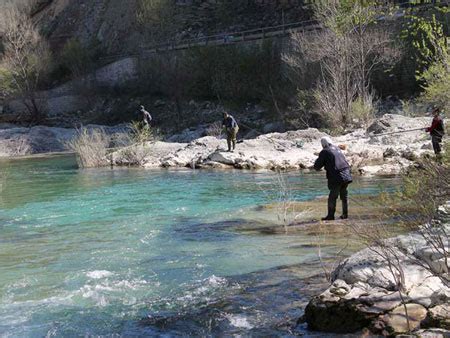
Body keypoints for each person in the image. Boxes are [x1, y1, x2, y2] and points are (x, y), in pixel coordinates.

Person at [314, 137, 353, 221]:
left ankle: (330, 216)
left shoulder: (324, 151)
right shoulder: (337, 148)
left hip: (337, 177)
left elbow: (317, 166)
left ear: (323, 144)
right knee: (344, 195)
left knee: (332, 197)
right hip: (346, 174)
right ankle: (345, 215)